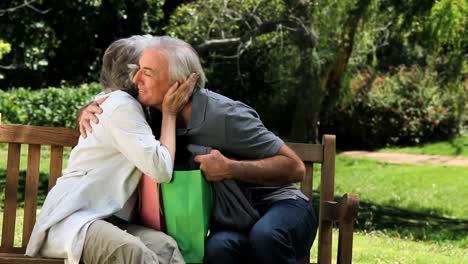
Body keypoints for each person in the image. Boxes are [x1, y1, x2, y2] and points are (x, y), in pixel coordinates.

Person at [79, 36, 317, 264]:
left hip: (281, 205)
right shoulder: (152, 116)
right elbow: (114, 115)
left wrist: (231, 168)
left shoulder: (225, 116)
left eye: (147, 72)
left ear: (178, 84)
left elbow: (295, 168)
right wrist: (85, 111)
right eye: (138, 69)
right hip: (236, 220)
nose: (136, 78)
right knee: (217, 250)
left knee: (265, 237)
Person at [26, 36, 199, 264]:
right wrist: (170, 113)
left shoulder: (127, 105)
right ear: (131, 73)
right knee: (131, 252)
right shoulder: (121, 105)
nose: (145, 74)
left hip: (107, 219)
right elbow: (161, 169)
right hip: (74, 221)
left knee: (165, 248)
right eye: (145, 67)